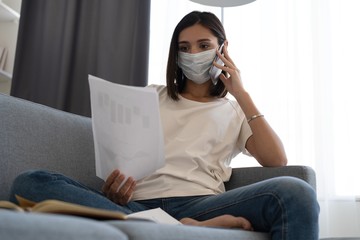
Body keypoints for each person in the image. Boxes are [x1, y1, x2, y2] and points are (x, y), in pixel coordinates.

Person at [9, 11, 319, 239]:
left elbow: (276, 160)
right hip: (137, 203)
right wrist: (114, 185)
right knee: (31, 181)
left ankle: (160, 224)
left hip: (201, 205)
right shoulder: (148, 96)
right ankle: (169, 227)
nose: (193, 54)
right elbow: (118, 153)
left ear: (222, 50)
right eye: (184, 48)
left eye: (203, 45)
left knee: (295, 192)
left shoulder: (234, 110)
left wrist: (241, 92)